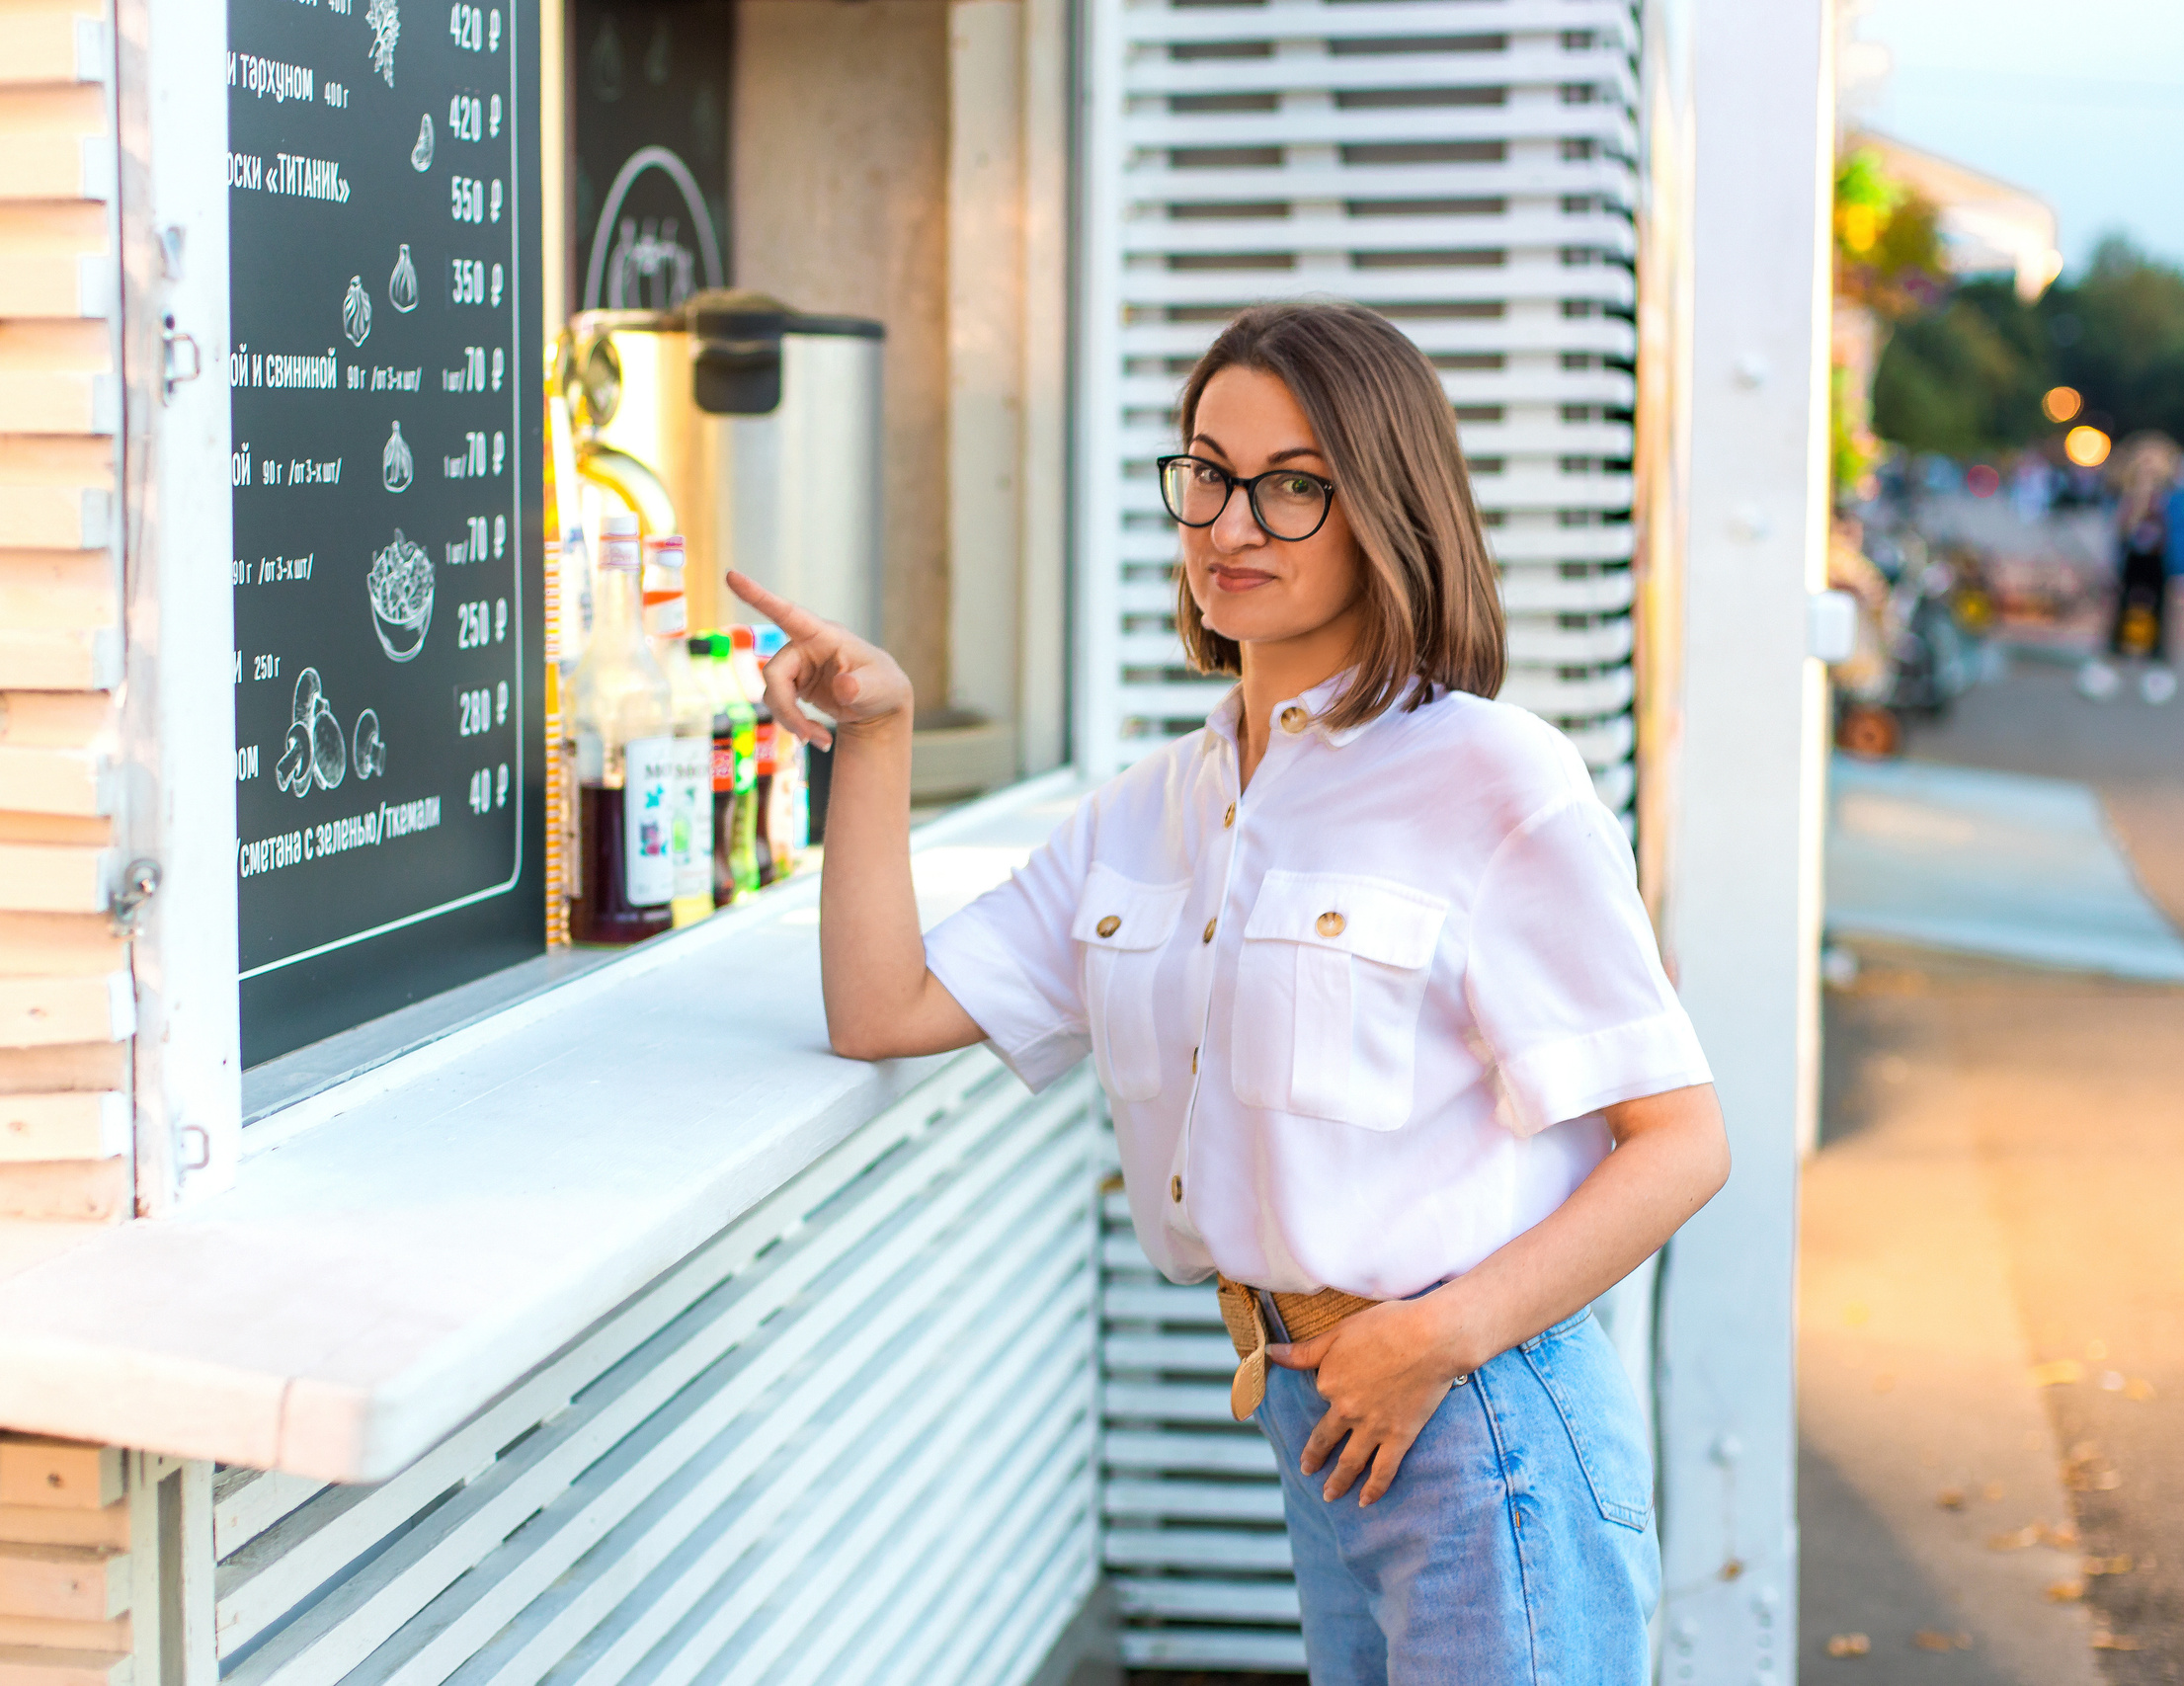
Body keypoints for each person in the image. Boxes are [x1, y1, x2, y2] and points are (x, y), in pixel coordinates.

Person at [733, 300, 1729, 1684]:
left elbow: (1681, 1142)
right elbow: (881, 1009)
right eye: (1207, 473)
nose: (1231, 524)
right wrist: (879, 734)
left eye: (1291, 486)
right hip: (1313, 1410)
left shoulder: (1491, 777)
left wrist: (1434, 1341)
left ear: (1384, 507)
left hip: (1479, 1406)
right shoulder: (1152, 811)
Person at [2078, 433, 2183, 705]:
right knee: (2121, 609)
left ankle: (2158, 663)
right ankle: (2112, 658)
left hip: (2160, 562)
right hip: (2131, 561)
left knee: (2160, 612)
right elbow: (2117, 529)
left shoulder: (2173, 495)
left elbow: (2183, 532)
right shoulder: (2124, 494)